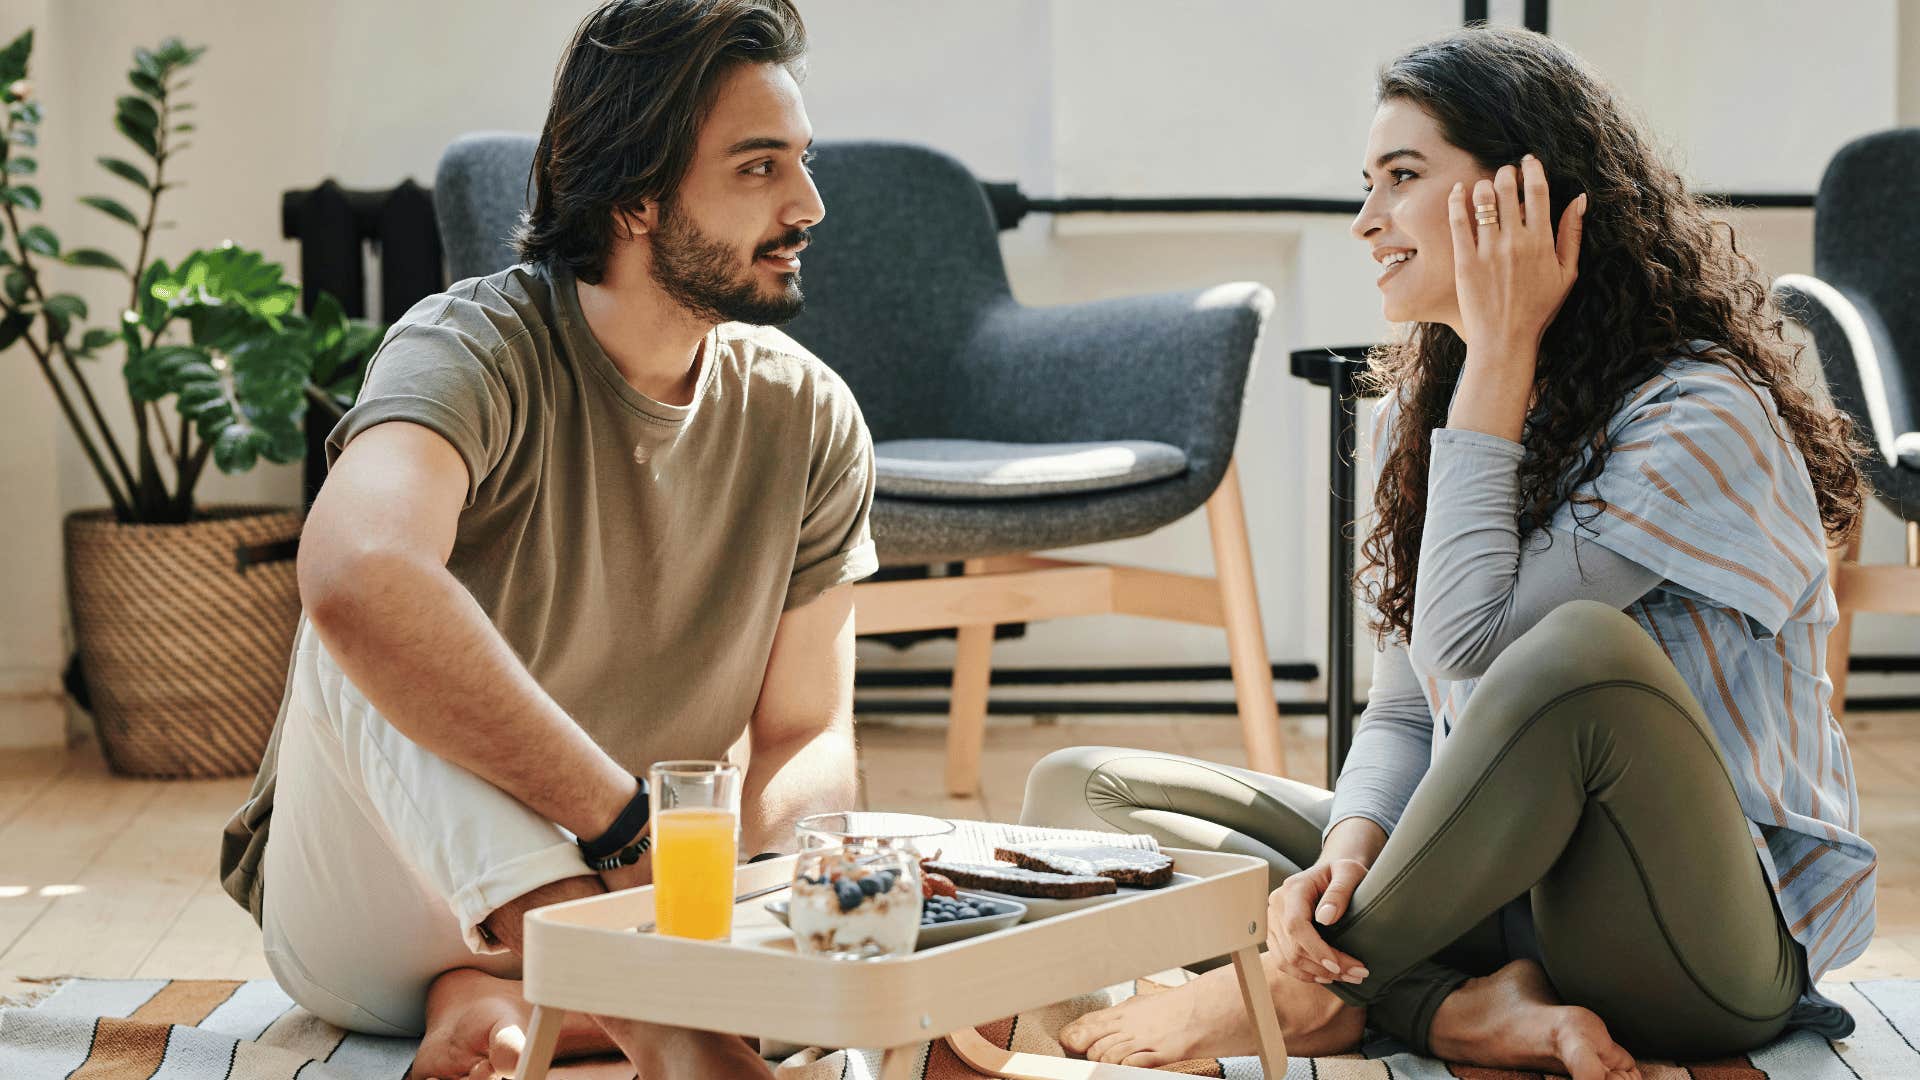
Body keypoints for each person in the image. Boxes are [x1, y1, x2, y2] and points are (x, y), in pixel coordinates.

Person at [1019, 26, 1874, 1080]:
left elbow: (1475, 646)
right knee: (1085, 797)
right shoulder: (1428, 410)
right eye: (1367, 182)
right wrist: (1350, 849)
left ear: (1520, 196)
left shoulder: (1699, 418)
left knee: (1577, 660)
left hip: (1694, 952)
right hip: (1491, 901)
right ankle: (1451, 1011)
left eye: (1403, 177)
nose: (1367, 220)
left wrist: (1502, 344)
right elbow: (1412, 703)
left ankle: (1305, 992)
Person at [217, 2, 875, 1077]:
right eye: (759, 169)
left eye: (801, 162)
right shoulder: (473, 349)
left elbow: (805, 731)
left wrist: (779, 917)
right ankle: (662, 1027)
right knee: (362, 610)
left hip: (634, 906)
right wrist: (621, 834)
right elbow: (353, 575)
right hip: (373, 910)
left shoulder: (808, 417)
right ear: (633, 197)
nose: (808, 204)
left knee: (845, 951)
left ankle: (512, 1007)